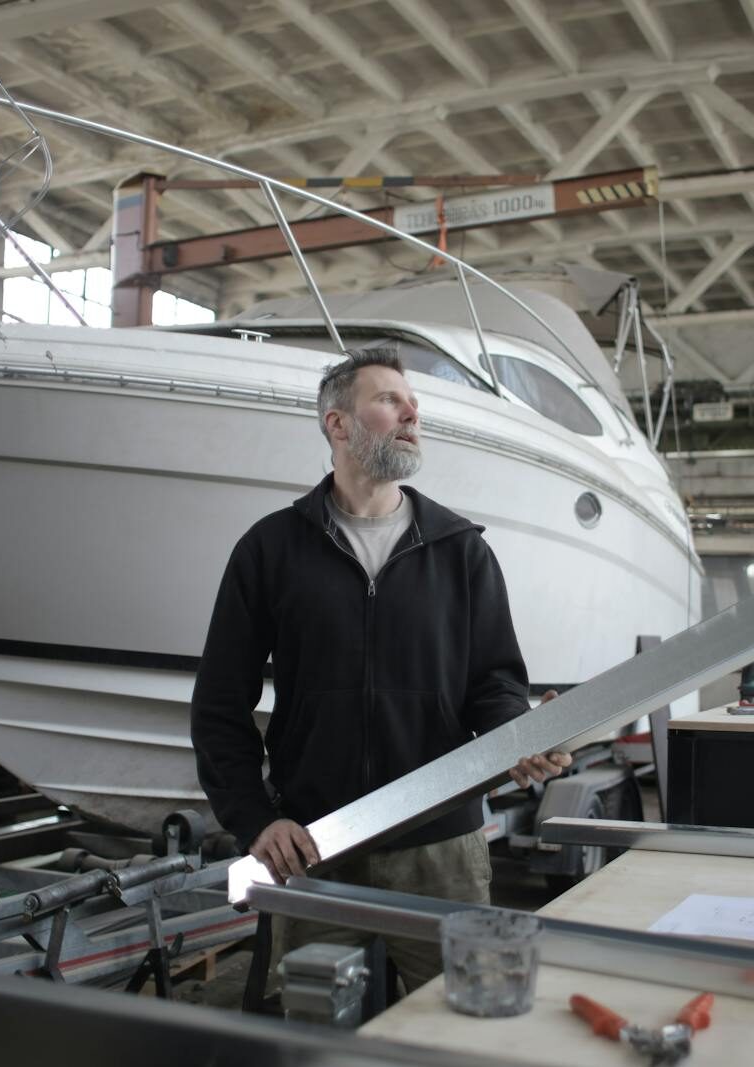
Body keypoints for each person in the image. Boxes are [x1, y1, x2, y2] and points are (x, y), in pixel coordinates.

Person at [190, 345, 571, 993]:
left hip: (440, 847)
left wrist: (519, 737)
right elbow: (220, 703)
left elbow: (495, 684)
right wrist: (255, 818)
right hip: (317, 844)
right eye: (390, 399)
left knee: (455, 1025)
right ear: (338, 423)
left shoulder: (460, 552)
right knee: (313, 1029)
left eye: (413, 403)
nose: (411, 413)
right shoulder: (271, 550)